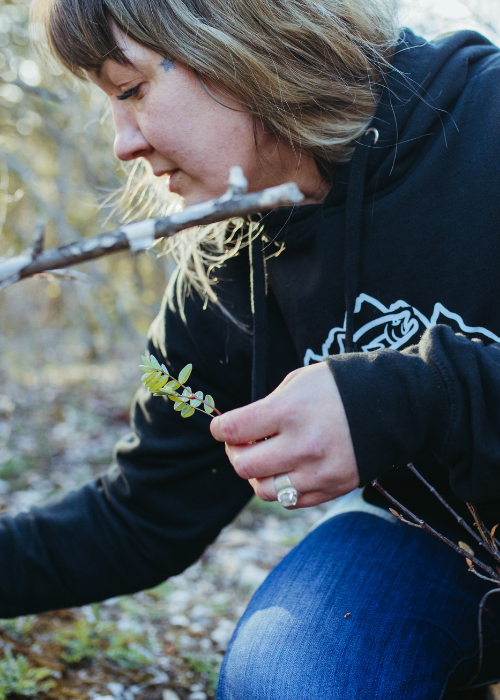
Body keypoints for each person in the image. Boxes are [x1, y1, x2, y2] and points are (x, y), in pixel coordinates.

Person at [6, 0, 500, 696]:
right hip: (447, 559)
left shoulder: (484, 118)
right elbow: (142, 515)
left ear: (232, 36)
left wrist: (417, 398)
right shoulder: (226, 271)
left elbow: (422, 399)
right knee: (294, 672)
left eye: (132, 89)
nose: (122, 144)